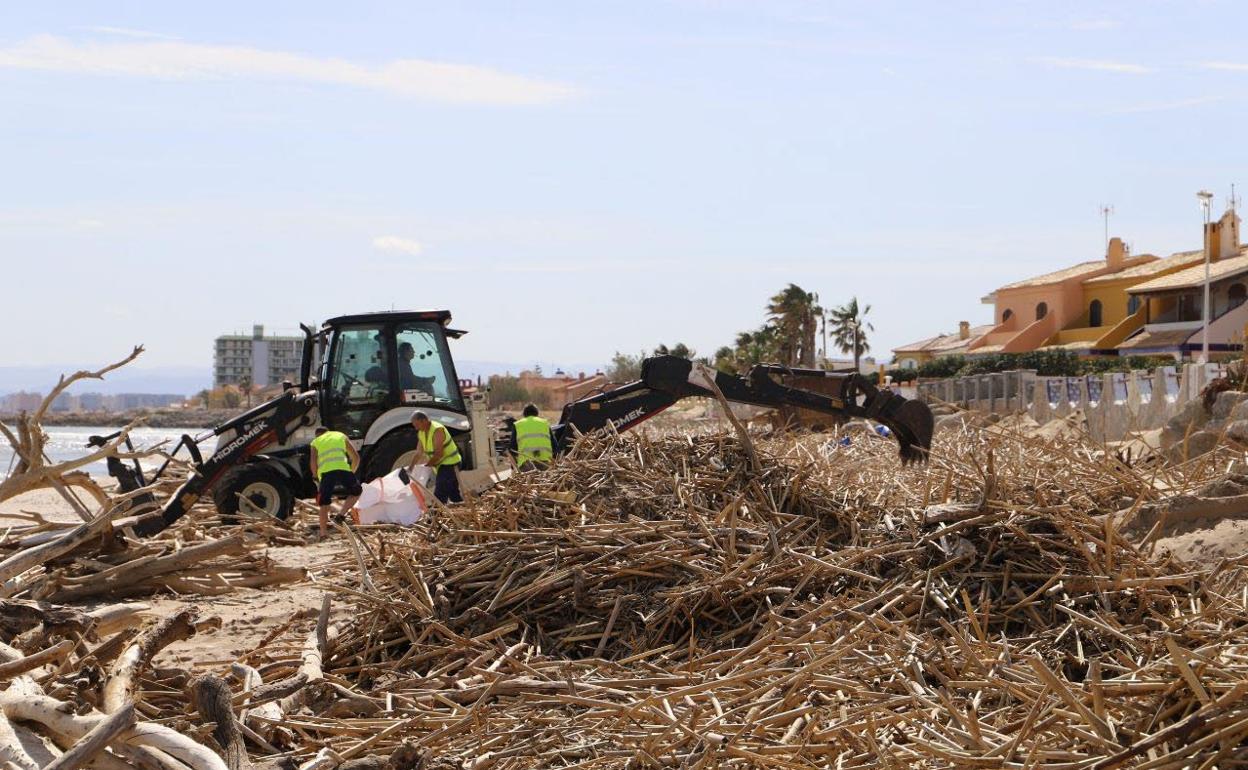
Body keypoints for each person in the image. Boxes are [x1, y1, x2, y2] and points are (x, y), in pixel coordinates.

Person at [309, 426, 362, 539]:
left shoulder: (315, 441)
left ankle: (323, 533)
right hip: (343, 469)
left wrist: (315, 477)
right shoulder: (340, 435)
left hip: (326, 472)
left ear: (318, 435)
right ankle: (341, 515)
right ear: (328, 432)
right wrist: (351, 472)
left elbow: (313, 462)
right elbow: (356, 457)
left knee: (324, 502)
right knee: (356, 491)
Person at [408, 411, 463, 503]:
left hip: (451, 463)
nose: (416, 428)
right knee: (453, 494)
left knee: (440, 494)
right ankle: (463, 511)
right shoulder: (421, 433)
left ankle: (436, 515)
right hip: (442, 465)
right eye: (414, 425)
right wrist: (410, 468)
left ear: (424, 421)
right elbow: (418, 453)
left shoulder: (437, 430)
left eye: (417, 424)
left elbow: (439, 454)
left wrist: (427, 466)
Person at [510, 403, 556, 471]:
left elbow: (512, 448)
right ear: (537, 414)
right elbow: (555, 446)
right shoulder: (545, 423)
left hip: (526, 464)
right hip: (546, 464)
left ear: (524, 414)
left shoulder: (518, 425)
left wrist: (513, 466)